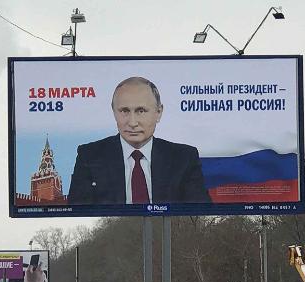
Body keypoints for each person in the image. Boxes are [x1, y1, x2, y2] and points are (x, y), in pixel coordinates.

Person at [67, 76, 211, 205]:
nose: (132, 122)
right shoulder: (89, 156)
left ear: (158, 113)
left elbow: (199, 212)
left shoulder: (184, 158)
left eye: (141, 111)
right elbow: (77, 212)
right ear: (114, 112)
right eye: (124, 111)